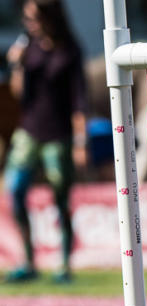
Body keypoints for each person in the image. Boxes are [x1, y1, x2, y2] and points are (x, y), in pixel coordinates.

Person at [3, 0, 87, 283]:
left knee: (61, 199)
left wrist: (80, 142)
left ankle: (63, 266)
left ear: (49, 18)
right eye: (27, 19)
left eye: (33, 18)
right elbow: (18, 94)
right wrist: (17, 65)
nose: (29, 24)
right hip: (29, 131)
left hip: (59, 135)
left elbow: (80, 100)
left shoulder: (69, 51)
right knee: (14, 191)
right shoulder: (29, 49)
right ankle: (28, 261)